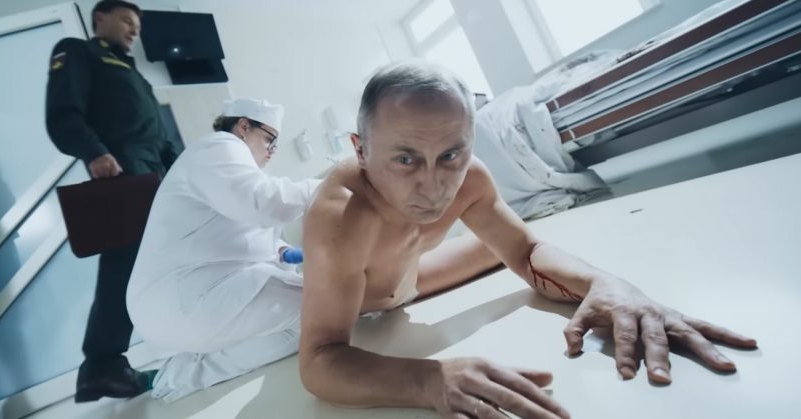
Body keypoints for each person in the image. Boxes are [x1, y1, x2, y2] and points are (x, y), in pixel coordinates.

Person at [298, 62, 758, 419]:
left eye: (452, 153)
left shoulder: (471, 178)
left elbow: (525, 250)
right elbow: (320, 360)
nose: (434, 186)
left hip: (406, 276)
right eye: (405, 159)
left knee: (497, 245)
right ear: (361, 150)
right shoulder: (343, 217)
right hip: (332, 295)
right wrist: (427, 379)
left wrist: (608, 285)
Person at [126, 98, 320, 402]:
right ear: (243, 126)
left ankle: (189, 363)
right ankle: (184, 374)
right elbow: (262, 203)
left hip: (185, 298)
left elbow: (242, 231)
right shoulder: (219, 147)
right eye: (269, 139)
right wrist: (326, 186)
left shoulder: (226, 167)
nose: (273, 150)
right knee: (320, 312)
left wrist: (282, 251)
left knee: (314, 307)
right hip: (181, 298)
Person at [45, 0, 182, 403]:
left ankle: (171, 343)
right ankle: (102, 364)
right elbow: (63, 115)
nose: (134, 29)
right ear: (99, 19)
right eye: (126, 20)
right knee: (125, 266)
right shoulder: (78, 51)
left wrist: (184, 170)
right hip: (122, 174)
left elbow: (157, 135)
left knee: (160, 262)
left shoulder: (133, 73)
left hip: (154, 176)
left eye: (137, 25)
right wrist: (94, 152)